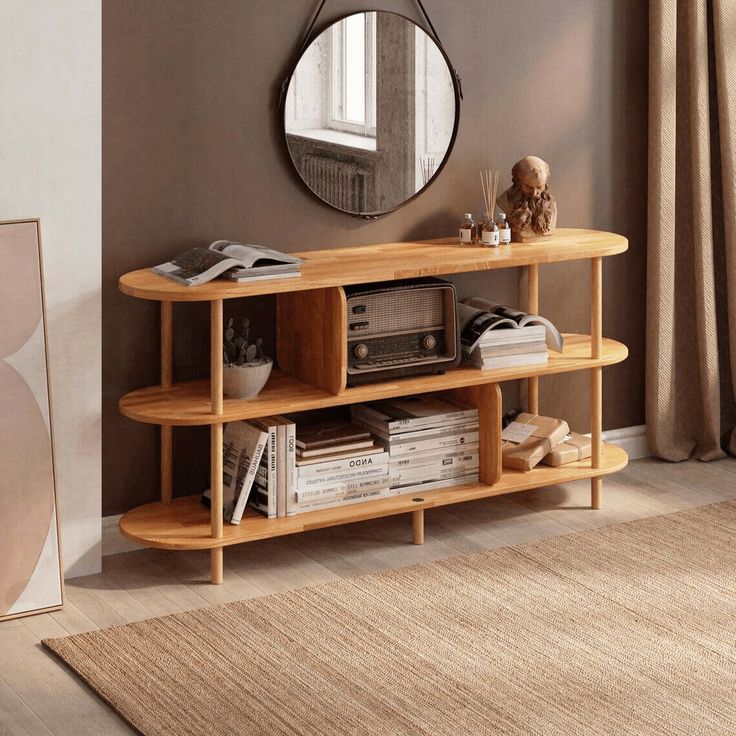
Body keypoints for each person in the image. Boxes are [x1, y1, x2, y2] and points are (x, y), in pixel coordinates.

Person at [496, 156, 557, 241]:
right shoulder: (505, 201)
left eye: (539, 187)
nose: (534, 194)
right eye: (528, 187)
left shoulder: (551, 202)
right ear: (517, 181)